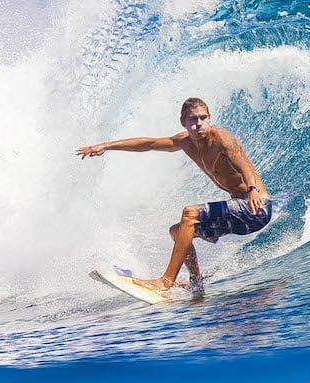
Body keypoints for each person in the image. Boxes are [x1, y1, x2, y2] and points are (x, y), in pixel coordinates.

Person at [76, 97, 272, 292]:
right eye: (193, 120)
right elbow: (149, 143)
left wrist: (252, 190)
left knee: (190, 214)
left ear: (210, 118)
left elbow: (243, 165)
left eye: (203, 118)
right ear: (183, 122)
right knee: (178, 232)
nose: (198, 124)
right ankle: (196, 281)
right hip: (239, 211)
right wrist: (107, 146)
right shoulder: (185, 142)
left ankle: (165, 282)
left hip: (256, 207)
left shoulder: (222, 139)